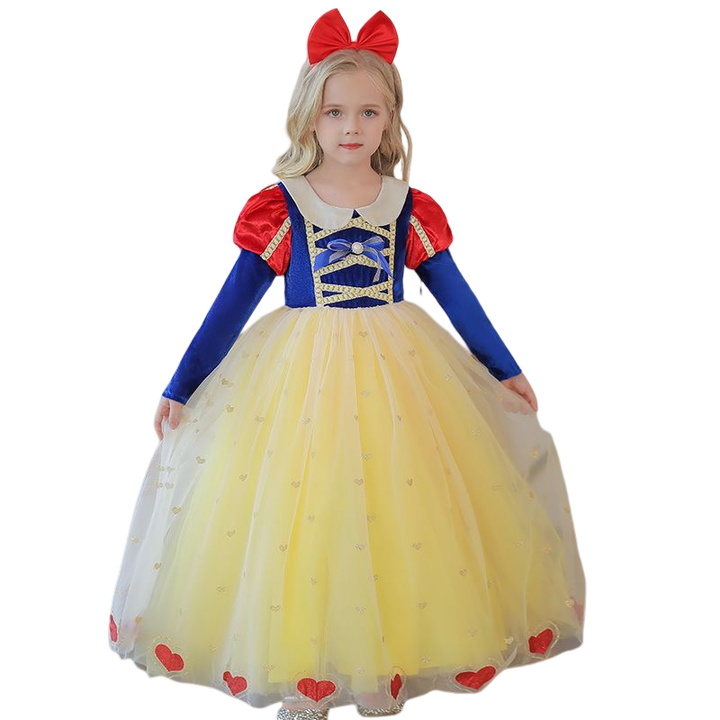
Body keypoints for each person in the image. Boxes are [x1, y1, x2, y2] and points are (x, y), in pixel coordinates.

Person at [105, 8, 588, 720]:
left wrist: (506, 369)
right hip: (299, 381)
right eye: (335, 112)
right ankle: (304, 656)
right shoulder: (282, 206)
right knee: (305, 507)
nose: (352, 127)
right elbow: (233, 301)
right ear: (308, 118)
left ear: (392, 119)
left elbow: (457, 295)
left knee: (404, 504)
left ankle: (392, 651)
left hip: (403, 376)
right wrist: (181, 383)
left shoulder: (408, 205)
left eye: (369, 111)